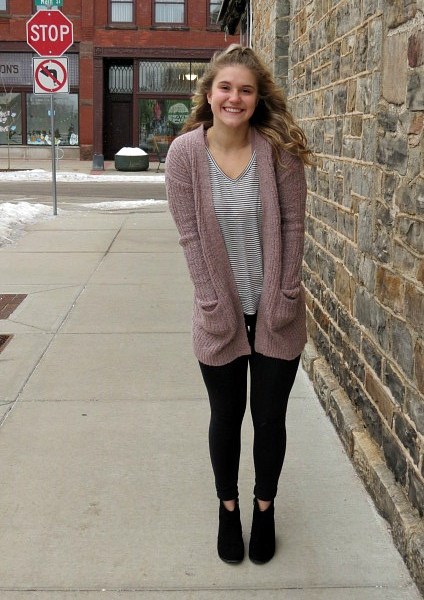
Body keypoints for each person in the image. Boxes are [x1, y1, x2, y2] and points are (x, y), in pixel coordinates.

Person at [165, 44, 314, 565]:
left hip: (277, 311)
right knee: (226, 418)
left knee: (270, 420)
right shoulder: (184, 155)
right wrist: (210, 300)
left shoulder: (278, 151)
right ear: (209, 94)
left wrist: (286, 292)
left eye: (245, 90)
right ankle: (228, 508)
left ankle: (264, 508)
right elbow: (189, 236)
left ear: (257, 97)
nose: (235, 97)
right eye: (225, 87)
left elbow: (293, 226)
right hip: (219, 315)